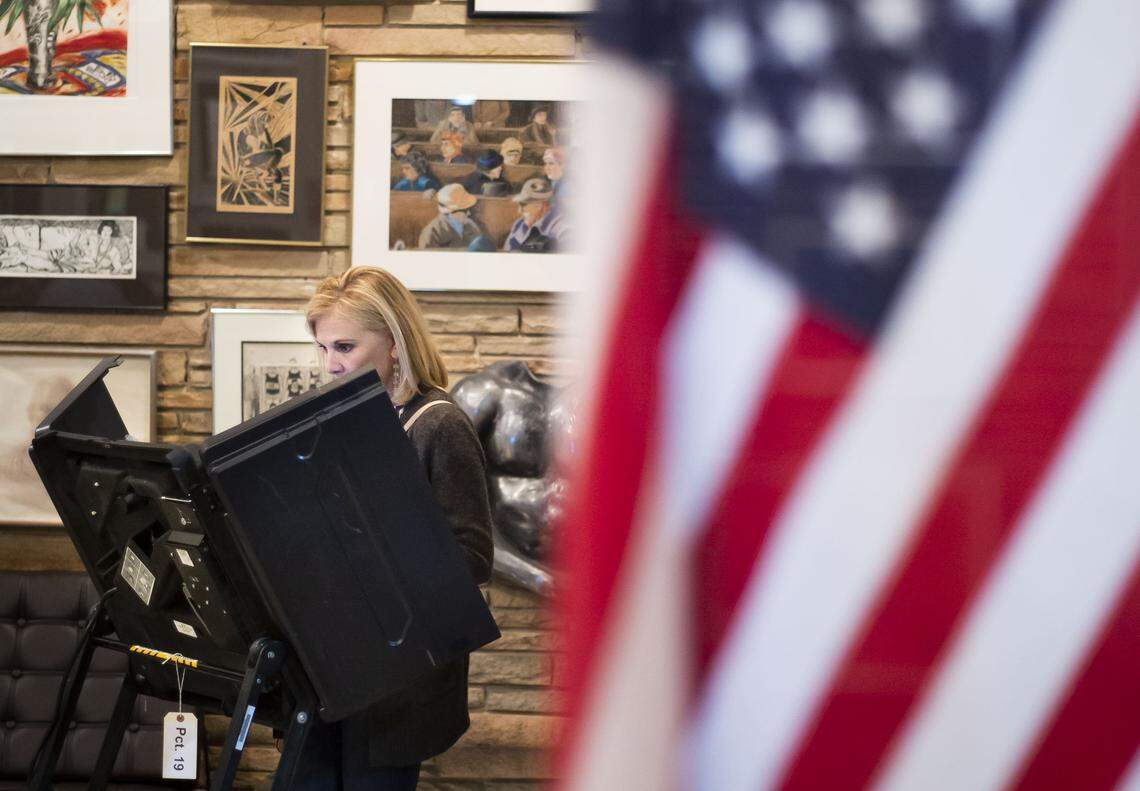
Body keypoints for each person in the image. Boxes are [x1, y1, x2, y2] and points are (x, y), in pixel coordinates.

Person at [301, 266, 495, 790]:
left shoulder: (440, 424)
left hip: (398, 679)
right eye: (323, 349)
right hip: (336, 666)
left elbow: (473, 554)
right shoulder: (349, 415)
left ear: (394, 342)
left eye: (344, 346)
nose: (331, 364)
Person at [503, 177, 568, 253]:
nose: (519, 211)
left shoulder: (562, 230)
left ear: (539, 205)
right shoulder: (519, 224)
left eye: (523, 204)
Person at [419, 184, 489, 249]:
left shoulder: (471, 225)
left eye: (468, 209)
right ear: (451, 211)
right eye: (464, 210)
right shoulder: (432, 232)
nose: (469, 213)